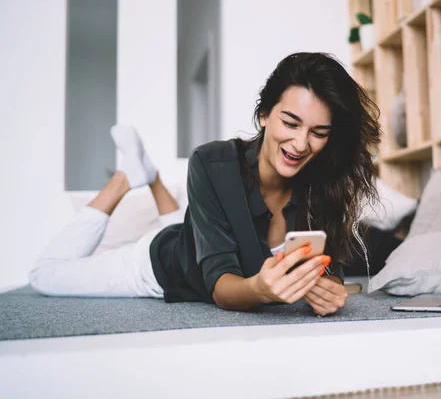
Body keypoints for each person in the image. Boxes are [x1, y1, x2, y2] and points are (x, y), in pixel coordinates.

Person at [29, 52, 381, 316]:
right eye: (290, 123)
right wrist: (260, 289)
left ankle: (151, 177)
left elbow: (327, 267)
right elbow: (221, 288)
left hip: (195, 235)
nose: (301, 144)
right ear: (264, 114)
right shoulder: (212, 163)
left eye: (318, 133)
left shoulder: (323, 182)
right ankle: (127, 177)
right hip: (161, 265)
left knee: (191, 225)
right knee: (45, 276)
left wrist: (330, 288)